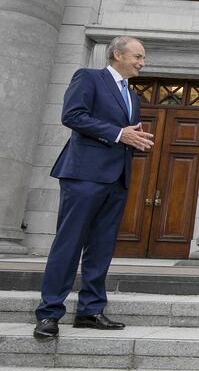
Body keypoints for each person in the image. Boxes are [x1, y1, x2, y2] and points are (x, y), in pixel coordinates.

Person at [33, 36, 154, 340]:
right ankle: (49, 313)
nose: (142, 63)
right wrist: (117, 133)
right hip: (85, 175)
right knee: (69, 243)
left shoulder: (133, 97)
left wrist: (134, 139)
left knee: (101, 248)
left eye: (143, 58)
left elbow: (123, 134)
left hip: (117, 179)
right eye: (137, 56)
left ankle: (90, 310)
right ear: (117, 54)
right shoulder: (88, 77)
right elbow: (73, 116)